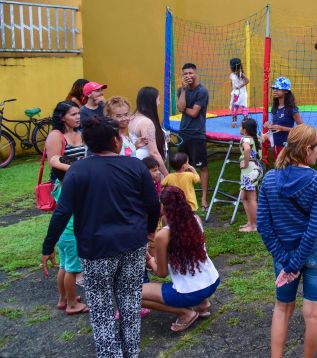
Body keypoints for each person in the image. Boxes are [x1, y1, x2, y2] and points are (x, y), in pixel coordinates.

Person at [41, 116, 160, 358]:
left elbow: (62, 212)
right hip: (133, 245)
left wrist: (48, 247)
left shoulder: (77, 171)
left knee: (102, 310)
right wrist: (149, 231)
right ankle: (131, 353)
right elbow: (152, 204)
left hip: (96, 250)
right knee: (129, 304)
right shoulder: (135, 166)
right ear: (116, 141)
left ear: (87, 144)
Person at [257, 125, 317, 358]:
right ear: (308, 149)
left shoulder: (269, 179)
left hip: (284, 254)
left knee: (282, 307)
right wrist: (294, 264)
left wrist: (286, 260)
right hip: (315, 253)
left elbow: (263, 225)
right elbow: (313, 229)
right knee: (313, 312)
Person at [141, 187, 220, 332]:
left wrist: (149, 258)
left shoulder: (163, 235)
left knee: (134, 294)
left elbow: (161, 273)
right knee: (190, 271)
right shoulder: (195, 220)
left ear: (164, 206)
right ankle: (203, 304)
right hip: (213, 281)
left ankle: (186, 313)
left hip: (190, 292)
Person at [45, 102, 88, 315]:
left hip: (78, 185)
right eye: (73, 114)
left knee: (65, 263)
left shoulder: (79, 132)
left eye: (79, 113)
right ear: (62, 117)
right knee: (72, 265)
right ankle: (72, 303)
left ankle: (64, 298)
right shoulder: (56, 135)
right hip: (65, 187)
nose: (78, 117)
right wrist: (77, 168)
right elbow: (54, 161)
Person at [177, 63, 210, 210]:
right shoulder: (181, 90)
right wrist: (183, 91)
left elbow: (193, 113)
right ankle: (185, 195)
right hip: (183, 132)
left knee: (202, 166)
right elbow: (180, 107)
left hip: (197, 134)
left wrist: (184, 108)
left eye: (190, 73)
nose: (188, 76)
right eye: (185, 74)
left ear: (196, 73)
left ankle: (203, 198)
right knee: (182, 166)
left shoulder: (202, 91)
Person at [128, 86, 168, 177]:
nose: (159, 103)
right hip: (147, 166)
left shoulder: (132, 117)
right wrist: (167, 175)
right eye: (158, 99)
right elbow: (153, 153)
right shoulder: (147, 122)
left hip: (137, 162)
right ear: (151, 102)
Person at [267, 77, 303, 163]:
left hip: (287, 145)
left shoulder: (291, 109)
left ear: (286, 91)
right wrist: (269, 126)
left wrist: (282, 128)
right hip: (276, 144)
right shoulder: (275, 108)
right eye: (274, 88)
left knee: (286, 168)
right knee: (278, 168)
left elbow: (302, 128)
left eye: (278, 88)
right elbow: (276, 125)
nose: (275, 90)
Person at [238, 118, 262, 233]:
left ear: (245, 129)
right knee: (244, 197)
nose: (239, 128)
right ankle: (250, 222)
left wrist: (246, 163)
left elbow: (247, 149)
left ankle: (254, 225)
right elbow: (264, 137)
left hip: (249, 171)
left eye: (241, 126)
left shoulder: (245, 139)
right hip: (254, 169)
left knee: (251, 198)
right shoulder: (255, 138)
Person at [229, 57, 250, 128]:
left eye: (230, 65)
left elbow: (247, 80)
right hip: (235, 93)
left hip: (242, 93)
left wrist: (240, 86)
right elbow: (231, 83)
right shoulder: (231, 75)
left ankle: (246, 121)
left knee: (243, 107)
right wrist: (233, 88)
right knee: (234, 107)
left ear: (233, 66)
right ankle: (234, 121)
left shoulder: (241, 74)